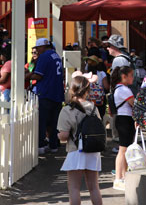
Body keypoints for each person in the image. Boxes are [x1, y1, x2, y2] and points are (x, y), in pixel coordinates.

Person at [57, 75, 103, 205]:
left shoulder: (67, 109)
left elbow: (64, 135)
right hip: (93, 150)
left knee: (74, 188)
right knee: (94, 187)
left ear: (72, 89)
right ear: (87, 91)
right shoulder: (94, 108)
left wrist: (57, 136)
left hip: (76, 150)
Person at [31, 38, 65, 155]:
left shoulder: (44, 56)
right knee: (54, 122)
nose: (37, 51)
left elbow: (38, 76)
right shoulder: (56, 55)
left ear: (42, 47)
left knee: (43, 121)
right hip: (57, 93)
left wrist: (26, 76)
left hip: (46, 93)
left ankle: (41, 145)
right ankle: (54, 145)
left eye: (37, 48)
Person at [111, 65, 135, 191]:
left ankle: (123, 176)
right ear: (124, 76)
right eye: (131, 75)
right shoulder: (124, 90)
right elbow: (134, 105)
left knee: (124, 149)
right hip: (125, 120)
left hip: (124, 119)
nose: (133, 78)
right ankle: (119, 177)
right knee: (123, 150)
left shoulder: (120, 88)